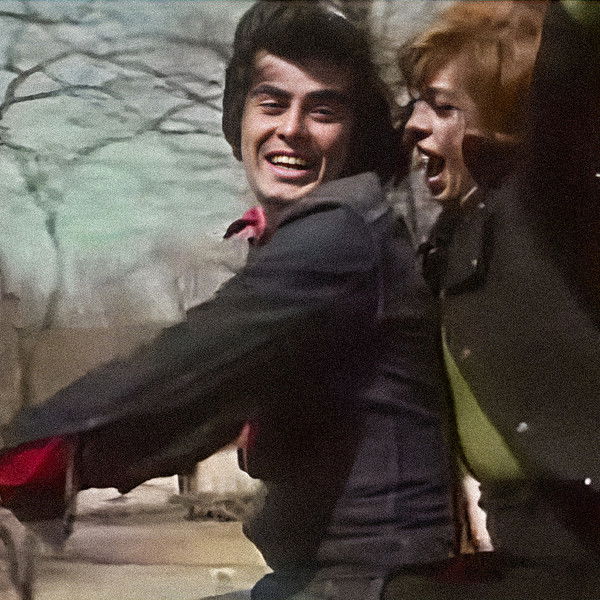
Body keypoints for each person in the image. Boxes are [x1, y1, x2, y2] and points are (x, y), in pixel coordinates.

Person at [0, 3, 454, 599]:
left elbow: (194, 359)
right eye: (272, 103)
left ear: (355, 133)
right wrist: (66, 466)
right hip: (330, 573)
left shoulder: (342, 232)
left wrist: (27, 451)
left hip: (375, 577)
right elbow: (202, 409)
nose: (292, 128)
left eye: (323, 111)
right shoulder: (321, 234)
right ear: (238, 117)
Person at [387, 1, 600, 598]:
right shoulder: (445, 242)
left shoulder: (551, 208)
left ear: (508, 125)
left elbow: (568, 64)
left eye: (443, 107)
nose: (414, 126)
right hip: (521, 551)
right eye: (416, 105)